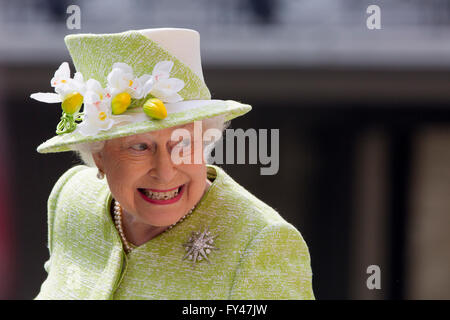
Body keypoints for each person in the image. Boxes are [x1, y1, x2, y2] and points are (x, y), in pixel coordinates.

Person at [31, 28, 315, 299]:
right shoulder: (72, 198)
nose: (165, 172)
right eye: (140, 146)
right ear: (99, 156)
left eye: (184, 143)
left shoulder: (261, 244)